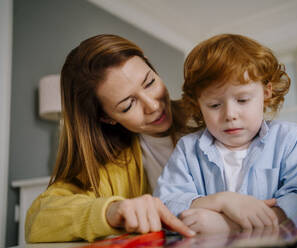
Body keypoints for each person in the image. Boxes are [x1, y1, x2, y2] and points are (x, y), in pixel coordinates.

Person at [25, 34, 197, 243]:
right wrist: (110, 210)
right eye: (128, 105)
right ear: (107, 117)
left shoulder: (209, 113)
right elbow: (37, 219)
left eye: (150, 82)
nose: (152, 105)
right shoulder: (111, 166)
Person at [154, 33, 297, 234]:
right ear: (198, 105)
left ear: (266, 93)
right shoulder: (188, 148)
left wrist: (227, 225)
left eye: (242, 100)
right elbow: (166, 202)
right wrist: (220, 201)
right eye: (214, 105)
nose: (230, 115)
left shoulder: (290, 138)